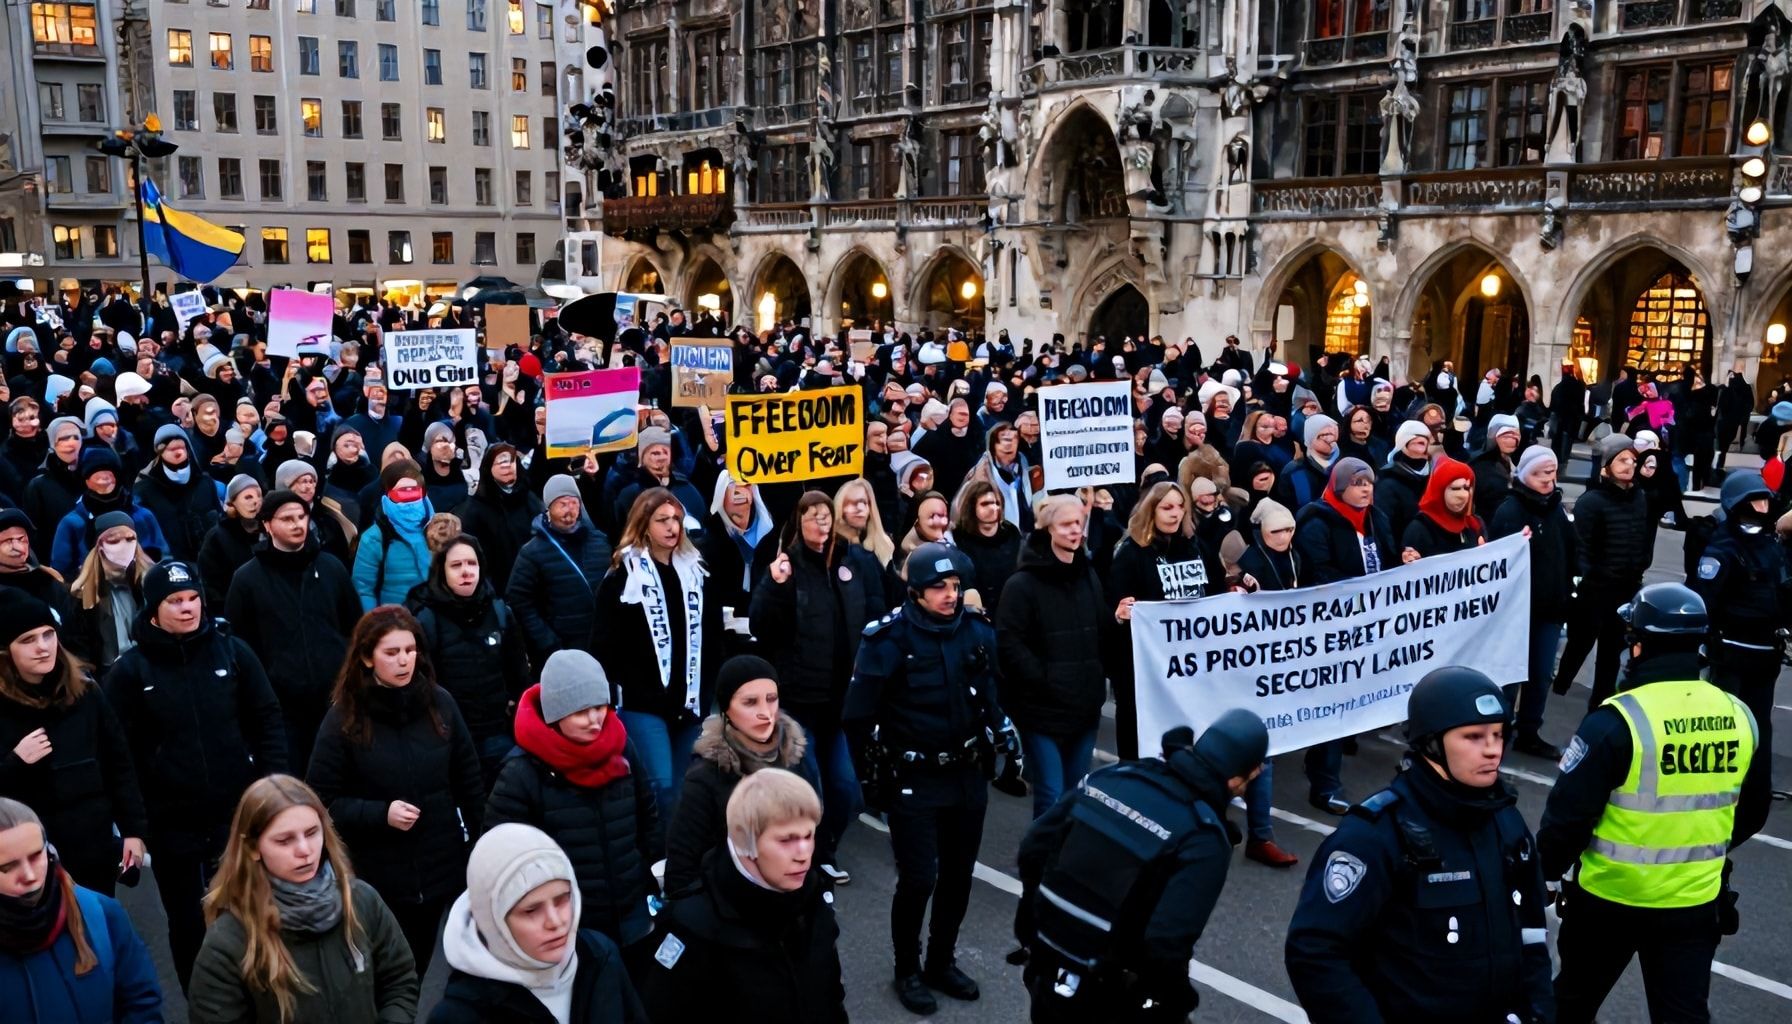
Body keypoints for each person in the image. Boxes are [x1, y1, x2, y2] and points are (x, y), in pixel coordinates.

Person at [1538, 584, 1756, 1024]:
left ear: (1638, 646)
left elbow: (1568, 820)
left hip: (1608, 902)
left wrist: (1541, 875)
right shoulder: (1738, 713)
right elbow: (1753, 808)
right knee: (1683, 1015)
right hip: (1694, 904)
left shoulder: (1616, 721)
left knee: (1570, 1006)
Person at [1286, 667, 1554, 1023]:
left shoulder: (1506, 823)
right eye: (1473, 737)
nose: (1493, 750)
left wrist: (1537, 1012)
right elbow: (1315, 952)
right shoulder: (1375, 836)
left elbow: (1533, 934)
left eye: (1498, 734)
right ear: (1431, 744)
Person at [845, 540, 1014, 1014]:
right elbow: (857, 717)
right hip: (913, 778)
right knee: (919, 879)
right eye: (938, 587)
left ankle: (942, 960)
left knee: (958, 878)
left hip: (966, 775)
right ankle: (907, 968)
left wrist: (1002, 732)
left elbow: (991, 694)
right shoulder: (887, 640)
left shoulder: (976, 632)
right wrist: (870, 781)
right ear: (915, 591)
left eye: (955, 586)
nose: (949, 595)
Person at [105, 560, 288, 991]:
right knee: (189, 924)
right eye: (175, 601)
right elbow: (118, 755)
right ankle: (203, 1001)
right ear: (153, 610)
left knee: (252, 912)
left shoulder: (233, 652)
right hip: (172, 822)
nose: (188, 609)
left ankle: (259, 997)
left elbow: (267, 719)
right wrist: (133, 824)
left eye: (193, 599)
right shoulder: (130, 672)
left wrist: (275, 788)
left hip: (237, 813)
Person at [1015, 713, 1269, 1022]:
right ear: (1235, 780)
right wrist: (1178, 1003)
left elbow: (1033, 849)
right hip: (1110, 993)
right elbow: (1165, 945)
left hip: (1048, 967)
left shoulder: (1115, 775)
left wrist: (1039, 924)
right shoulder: (1203, 837)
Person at [306, 605, 486, 975]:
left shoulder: (441, 705)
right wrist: (379, 814)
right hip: (377, 877)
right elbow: (319, 801)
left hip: (442, 867)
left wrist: (479, 849)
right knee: (388, 976)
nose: (404, 661)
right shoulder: (344, 718)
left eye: (410, 650)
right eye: (392, 653)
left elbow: (470, 783)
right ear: (367, 658)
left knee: (435, 970)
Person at [187, 774, 420, 1023]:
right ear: (253, 848)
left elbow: (400, 982)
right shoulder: (229, 940)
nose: (305, 850)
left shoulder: (361, 900)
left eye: (311, 833)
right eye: (284, 840)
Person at [485, 650, 662, 964]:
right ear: (556, 714)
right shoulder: (520, 774)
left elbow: (647, 814)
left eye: (600, 708)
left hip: (632, 913)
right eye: (582, 712)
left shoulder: (622, 748)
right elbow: (502, 862)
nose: (595, 721)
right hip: (569, 929)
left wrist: (646, 876)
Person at [751, 490, 888, 886]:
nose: (822, 523)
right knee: (809, 786)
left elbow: (872, 615)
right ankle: (804, 859)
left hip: (840, 702)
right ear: (799, 522)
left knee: (846, 788)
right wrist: (775, 587)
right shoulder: (786, 566)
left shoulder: (851, 561)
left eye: (826, 515)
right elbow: (763, 626)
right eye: (812, 516)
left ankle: (824, 850)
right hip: (798, 699)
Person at [639, 769, 847, 1023]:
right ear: (745, 844)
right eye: (786, 840)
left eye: (808, 836)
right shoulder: (693, 929)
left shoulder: (813, 900)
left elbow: (831, 997)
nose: (803, 853)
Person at [0, 590, 147, 895]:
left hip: (92, 846)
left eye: (48, 635)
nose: (43, 647)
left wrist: (133, 831)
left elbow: (118, 763)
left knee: (96, 933)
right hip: (27, 860)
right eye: (28, 640)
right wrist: (14, 762)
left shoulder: (85, 693)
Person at [427, 823, 646, 1024]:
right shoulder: (459, 1016)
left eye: (562, 899)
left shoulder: (601, 956)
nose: (555, 921)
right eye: (531, 910)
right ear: (492, 922)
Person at [594, 488, 721, 823]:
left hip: (688, 702)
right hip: (642, 703)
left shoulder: (697, 573)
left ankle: (676, 861)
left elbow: (712, 640)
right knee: (661, 786)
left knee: (684, 788)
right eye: (662, 520)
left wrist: (705, 693)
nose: (672, 527)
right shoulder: (623, 575)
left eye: (676, 519)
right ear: (643, 524)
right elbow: (604, 644)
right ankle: (659, 859)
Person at [225, 489, 363, 775]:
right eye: (287, 519)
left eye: (302, 516)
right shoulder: (247, 579)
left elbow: (355, 629)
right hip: (281, 708)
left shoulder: (331, 568)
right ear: (267, 524)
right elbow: (239, 647)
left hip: (335, 700)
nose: (298, 524)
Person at [663, 655, 822, 897]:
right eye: (750, 702)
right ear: (726, 708)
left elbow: (817, 841)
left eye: (772, 699)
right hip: (727, 910)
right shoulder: (706, 776)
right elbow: (682, 867)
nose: (765, 713)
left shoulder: (796, 762)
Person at [0, 796, 164, 1023]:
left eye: (36, 856)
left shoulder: (102, 915)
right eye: (7, 867)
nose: (29, 876)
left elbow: (141, 1002)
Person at [1685, 471, 1783, 844]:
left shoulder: (1771, 546)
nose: (1762, 508)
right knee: (1726, 731)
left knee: (1759, 732)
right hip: (1730, 656)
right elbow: (1701, 602)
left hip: (1764, 659)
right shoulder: (1721, 550)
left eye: (1765, 502)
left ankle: (1752, 795)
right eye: (1755, 502)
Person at [1294, 457, 1396, 814]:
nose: (1366, 489)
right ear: (1339, 487)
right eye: (1357, 483)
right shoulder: (1316, 522)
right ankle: (1325, 783)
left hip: (1369, 625)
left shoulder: (1375, 519)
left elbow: (1390, 560)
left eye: (1369, 482)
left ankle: (1327, 757)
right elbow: (1318, 574)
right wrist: (1358, 594)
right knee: (1333, 704)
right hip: (1331, 629)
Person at [997, 493, 1107, 817]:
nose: (1075, 531)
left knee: (1074, 796)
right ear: (1048, 530)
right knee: (1051, 794)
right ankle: (1040, 864)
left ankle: (1062, 864)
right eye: (1067, 524)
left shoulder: (1088, 575)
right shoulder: (1022, 584)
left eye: (1079, 523)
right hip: (1042, 710)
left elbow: (1100, 631)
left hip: (1084, 706)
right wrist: (1045, 679)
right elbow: (1009, 644)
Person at [407, 535, 531, 788]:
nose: (466, 571)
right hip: (451, 736)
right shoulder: (426, 619)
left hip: (498, 732)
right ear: (442, 571)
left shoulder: (500, 612)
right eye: (456, 565)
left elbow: (518, 673)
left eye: (471, 564)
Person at [1552, 435, 1650, 708]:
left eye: (1632, 459)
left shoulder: (1639, 497)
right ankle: (1559, 690)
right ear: (1605, 466)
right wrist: (1585, 578)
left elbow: (1642, 535)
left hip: (1627, 587)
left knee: (1612, 650)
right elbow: (1581, 546)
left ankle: (1600, 701)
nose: (1630, 464)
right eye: (1622, 459)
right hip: (1596, 589)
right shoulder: (1591, 502)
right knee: (1580, 643)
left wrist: (1640, 564)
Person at [1489, 446, 1575, 759]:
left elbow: (1570, 548)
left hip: (1550, 609)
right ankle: (1499, 730)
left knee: (1540, 675)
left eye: (1551, 473)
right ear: (1525, 475)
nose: (1547, 480)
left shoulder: (1556, 508)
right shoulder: (1511, 510)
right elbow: (1498, 561)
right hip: (1517, 612)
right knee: (1511, 676)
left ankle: (1529, 731)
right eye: (1540, 474)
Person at [507, 475, 612, 668]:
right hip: (562, 650)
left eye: (574, 503)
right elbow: (518, 599)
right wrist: (547, 641)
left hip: (602, 644)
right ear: (549, 508)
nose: (569, 510)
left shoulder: (600, 542)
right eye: (563, 504)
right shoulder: (532, 552)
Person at [62, 510, 154, 671]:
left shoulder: (152, 582)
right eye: (114, 541)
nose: (124, 546)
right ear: (99, 547)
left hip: (150, 668)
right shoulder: (80, 595)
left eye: (130, 539)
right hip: (106, 674)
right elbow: (78, 648)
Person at [451, 443, 542, 594]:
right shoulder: (475, 510)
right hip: (499, 590)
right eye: (500, 462)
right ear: (488, 468)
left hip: (536, 586)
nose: (507, 467)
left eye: (511, 461)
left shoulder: (530, 500)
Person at [352, 460, 435, 611]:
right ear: (387, 494)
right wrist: (377, 627)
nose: (409, 498)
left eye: (414, 491)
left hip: (435, 620)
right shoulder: (374, 538)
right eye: (402, 491)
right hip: (395, 620)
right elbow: (363, 589)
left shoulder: (437, 529)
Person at [133, 424, 222, 562]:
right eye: (171, 449)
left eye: (181, 448)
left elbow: (219, 518)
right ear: (160, 452)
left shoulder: (205, 482)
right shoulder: (144, 489)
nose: (178, 452)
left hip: (210, 560)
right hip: (168, 563)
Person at [949, 478, 1021, 617]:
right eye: (985, 504)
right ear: (972, 507)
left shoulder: (1012, 534)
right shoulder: (959, 538)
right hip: (978, 616)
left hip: (1013, 612)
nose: (993, 508)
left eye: (996, 503)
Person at [1399, 456, 1484, 560]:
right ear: (1439, 490)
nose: (1463, 495)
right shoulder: (1419, 530)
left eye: (1466, 488)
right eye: (1455, 489)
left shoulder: (1474, 525)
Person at [197, 475, 264, 602]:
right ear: (232, 503)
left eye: (259, 495)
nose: (256, 501)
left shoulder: (270, 530)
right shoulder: (217, 537)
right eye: (248, 497)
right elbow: (210, 584)